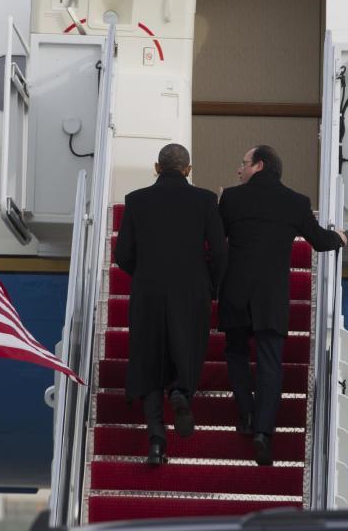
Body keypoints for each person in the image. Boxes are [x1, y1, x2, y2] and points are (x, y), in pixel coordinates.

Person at [219, 144, 346, 465]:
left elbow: (214, 238)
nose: (239, 170)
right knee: (270, 363)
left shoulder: (231, 199)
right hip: (271, 296)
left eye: (243, 163)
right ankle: (263, 431)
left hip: (236, 291)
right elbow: (319, 241)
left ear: (259, 165)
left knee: (235, 353)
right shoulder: (296, 202)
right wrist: (339, 239)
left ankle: (246, 414)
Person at [114, 143, 227, 465]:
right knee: (187, 345)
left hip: (148, 290)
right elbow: (219, 251)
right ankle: (180, 392)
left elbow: (122, 254)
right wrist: (210, 284)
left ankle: (156, 442)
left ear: (156, 167)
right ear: (188, 170)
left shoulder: (136, 200)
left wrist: (146, 273)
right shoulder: (205, 200)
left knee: (149, 361)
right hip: (191, 290)